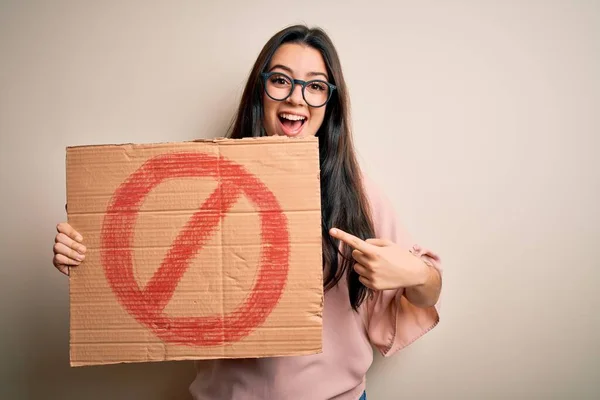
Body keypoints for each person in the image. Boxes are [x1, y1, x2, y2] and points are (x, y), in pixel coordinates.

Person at [52, 24, 442, 400]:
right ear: (261, 90)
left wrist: (417, 274)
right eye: (281, 80)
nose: (296, 98)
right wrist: (87, 257)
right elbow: (137, 252)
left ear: (330, 103)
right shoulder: (203, 178)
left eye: (316, 86)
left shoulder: (355, 193)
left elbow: (427, 291)